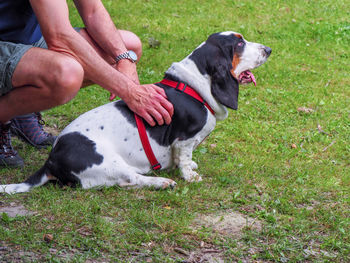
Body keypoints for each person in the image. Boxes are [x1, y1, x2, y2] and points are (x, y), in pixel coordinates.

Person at [0, 0, 173, 168]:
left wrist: (124, 58)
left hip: (25, 40)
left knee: (129, 47)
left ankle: (21, 111)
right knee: (66, 75)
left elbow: (92, 11)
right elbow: (60, 37)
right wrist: (129, 90)